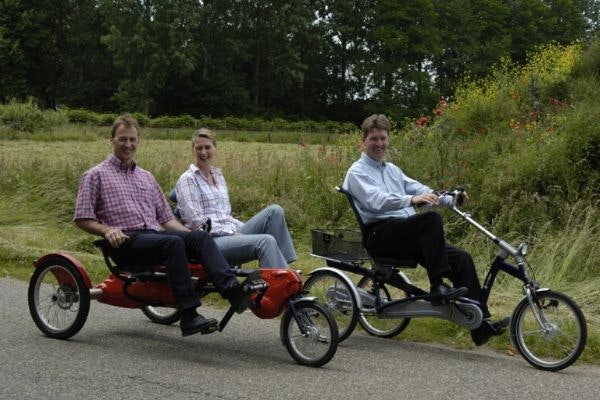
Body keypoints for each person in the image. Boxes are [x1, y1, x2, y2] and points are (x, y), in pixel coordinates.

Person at [73, 115, 247, 338]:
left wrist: (192, 237)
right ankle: (188, 315)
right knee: (171, 243)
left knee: (199, 237)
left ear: (139, 141)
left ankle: (232, 290)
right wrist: (107, 230)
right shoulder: (95, 175)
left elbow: (166, 220)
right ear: (111, 140)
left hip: (154, 238)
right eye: (122, 139)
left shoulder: (146, 177)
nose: (128, 145)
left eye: (133, 139)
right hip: (125, 242)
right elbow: (82, 218)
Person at [343, 114, 509, 346]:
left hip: (404, 234)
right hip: (379, 235)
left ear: (388, 140)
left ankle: (480, 326)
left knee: (462, 259)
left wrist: (451, 198)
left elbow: (422, 190)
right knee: (430, 220)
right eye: (374, 139)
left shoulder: (392, 170)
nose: (379, 144)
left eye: (383, 138)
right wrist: (411, 200)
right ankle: (437, 286)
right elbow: (376, 201)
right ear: (364, 141)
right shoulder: (357, 172)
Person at [175, 128, 296, 269]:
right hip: (210, 242)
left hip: (228, 233)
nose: (203, 152)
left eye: (207, 147)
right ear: (193, 150)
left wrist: (239, 231)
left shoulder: (218, 176)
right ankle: (280, 283)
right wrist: (233, 234)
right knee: (265, 241)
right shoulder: (188, 180)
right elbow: (197, 224)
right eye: (199, 148)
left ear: (215, 148)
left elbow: (225, 215)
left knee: (275, 211)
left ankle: (285, 272)